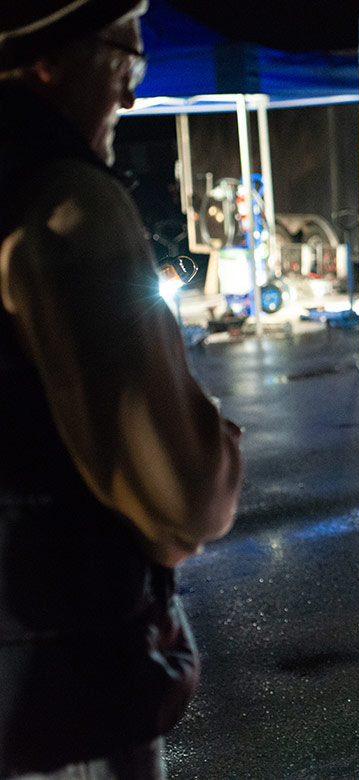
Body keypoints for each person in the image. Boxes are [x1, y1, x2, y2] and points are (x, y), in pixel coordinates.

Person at [0, 2, 243, 776]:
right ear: (49, 60)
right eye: (124, 63)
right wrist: (216, 451)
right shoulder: (65, 200)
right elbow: (184, 490)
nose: (132, 95)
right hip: (56, 673)